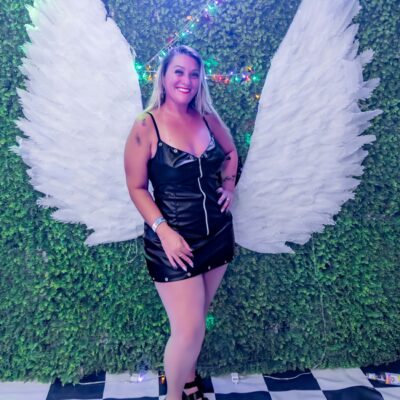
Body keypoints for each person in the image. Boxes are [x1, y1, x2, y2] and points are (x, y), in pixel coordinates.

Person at [124, 45, 238, 400]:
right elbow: (136, 187)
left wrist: (229, 185)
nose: (186, 80)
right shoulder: (146, 124)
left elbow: (231, 152)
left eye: (193, 74)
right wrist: (165, 232)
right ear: (164, 76)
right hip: (173, 243)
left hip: (218, 234)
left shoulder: (207, 118)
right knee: (188, 329)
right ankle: (175, 396)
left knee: (196, 323)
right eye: (179, 71)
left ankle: (189, 378)